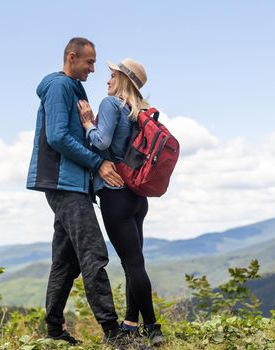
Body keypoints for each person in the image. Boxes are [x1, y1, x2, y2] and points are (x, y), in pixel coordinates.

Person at [27, 38, 144, 349]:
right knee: (94, 254)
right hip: (63, 183)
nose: (93, 69)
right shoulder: (59, 86)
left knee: (67, 260)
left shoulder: (73, 88)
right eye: (89, 62)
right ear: (71, 57)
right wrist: (98, 163)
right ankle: (114, 334)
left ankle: (53, 330)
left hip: (74, 184)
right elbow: (57, 137)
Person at [77, 58, 165, 346]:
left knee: (132, 265)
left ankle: (153, 328)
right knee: (135, 264)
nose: (107, 80)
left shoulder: (110, 104)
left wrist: (88, 124)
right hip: (137, 197)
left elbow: (101, 142)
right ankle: (131, 322)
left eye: (112, 75)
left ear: (123, 79)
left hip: (115, 195)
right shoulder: (138, 111)